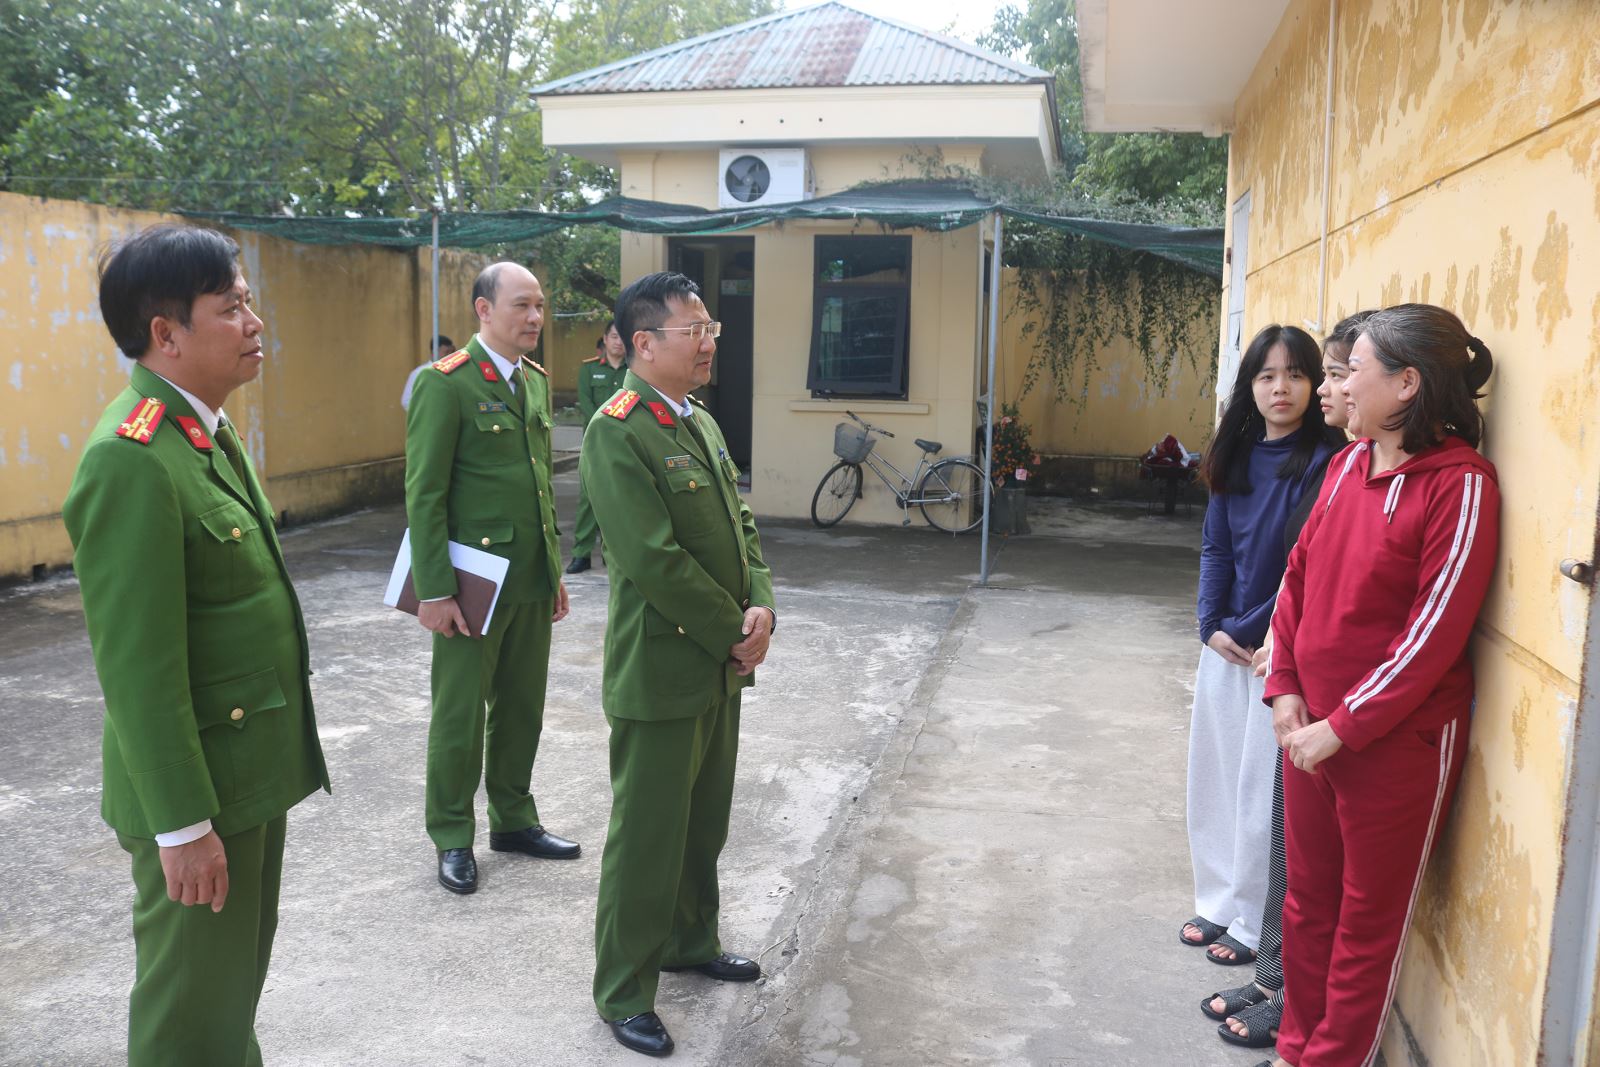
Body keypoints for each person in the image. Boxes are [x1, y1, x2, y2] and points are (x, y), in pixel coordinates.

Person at [62, 225, 331, 1066]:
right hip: (200, 791)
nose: (254, 322)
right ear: (166, 333)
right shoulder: (132, 458)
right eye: (231, 307)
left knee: (226, 999)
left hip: (243, 773)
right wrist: (181, 825)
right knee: (189, 1021)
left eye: (248, 302)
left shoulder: (200, 431)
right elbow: (137, 668)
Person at [1264, 303, 1499, 1067]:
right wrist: (1287, 686)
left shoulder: (1461, 485)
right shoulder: (1346, 466)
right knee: (1307, 903)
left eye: (1352, 369)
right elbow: (1298, 580)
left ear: (1406, 384)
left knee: (1367, 925)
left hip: (1394, 744)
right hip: (1311, 729)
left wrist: (1342, 725)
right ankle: (1295, 1047)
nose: (1337, 385)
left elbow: (1433, 634)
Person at [581, 272, 777, 1057]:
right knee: (648, 838)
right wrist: (734, 628)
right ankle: (624, 988)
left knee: (702, 822)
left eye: (710, 329)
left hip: (720, 663)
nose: (707, 343)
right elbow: (653, 560)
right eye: (693, 330)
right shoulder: (617, 431)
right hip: (663, 669)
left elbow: (742, 525)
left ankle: (690, 940)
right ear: (643, 343)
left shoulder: (701, 422)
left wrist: (762, 605)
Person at [1205, 310, 1376, 1052]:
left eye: (1334, 374)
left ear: (1404, 384)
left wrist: (1274, 647)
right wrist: (1219, 625)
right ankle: (1276, 975)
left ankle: (1283, 984)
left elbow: (1309, 575)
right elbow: (1278, 565)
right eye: (1327, 373)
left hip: (1329, 690)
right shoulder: (1349, 467)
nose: (1319, 390)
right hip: (1290, 672)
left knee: (1300, 850)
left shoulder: (1348, 465)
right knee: (1278, 834)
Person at [404, 263, 576, 895]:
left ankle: (513, 819)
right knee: (460, 714)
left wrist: (553, 571)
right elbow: (424, 493)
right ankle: (452, 834)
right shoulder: (444, 384)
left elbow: (539, 485)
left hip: (529, 576)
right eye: (521, 305)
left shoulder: (534, 381)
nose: (535, 317)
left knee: (522, 706)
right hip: (471, 583)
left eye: (540, 306)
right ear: (483, 309)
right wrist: (434, 589)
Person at [1181, 325, 1342, 969]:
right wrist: (1210, 624)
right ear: (1249, 386)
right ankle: (1218, 900)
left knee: (1259, 794)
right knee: (1215, 780)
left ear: (1316, 383)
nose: (1282, 388)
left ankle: (1253, 921)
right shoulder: (1236, 455)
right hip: (1226, 645)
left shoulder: (1329, 462)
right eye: (1267, 376)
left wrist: (1247, 630)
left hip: (1279, 654)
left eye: (1296, 374)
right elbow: (1216, 546)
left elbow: (1307, 569)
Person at [567, 320, 628, 574]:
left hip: (625, 442)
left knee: (620, 496)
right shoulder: (589, 369)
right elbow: (586, 402)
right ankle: (581, 553)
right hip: (595, 443)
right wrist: (605, 426)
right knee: (588, 497)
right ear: (604, 339)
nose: (618, 342)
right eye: (613, 336)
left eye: (622, 337)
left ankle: (611, 553)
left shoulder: (634, 370)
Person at [401, 334, 455, 410]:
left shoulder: (456, 371)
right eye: (446, 352)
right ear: (434, 352)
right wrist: (425, 412)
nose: (450, 355)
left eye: (452, 352)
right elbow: (406, 401)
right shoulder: (419, 373)